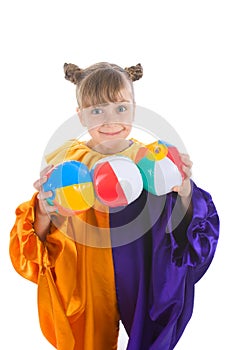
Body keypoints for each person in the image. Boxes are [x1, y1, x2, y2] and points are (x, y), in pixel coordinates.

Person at [9, 62, 219, 350]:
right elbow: (37, 243)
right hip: (88, 277)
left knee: (150, 333)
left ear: (134, 108)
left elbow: (186, 228)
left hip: (143, 270)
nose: (110, 120)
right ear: (80, 116)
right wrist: (45, 210)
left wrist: (183, 190)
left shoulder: (152, 162)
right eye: (97, 110)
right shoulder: (68, 166)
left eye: (121, 108)